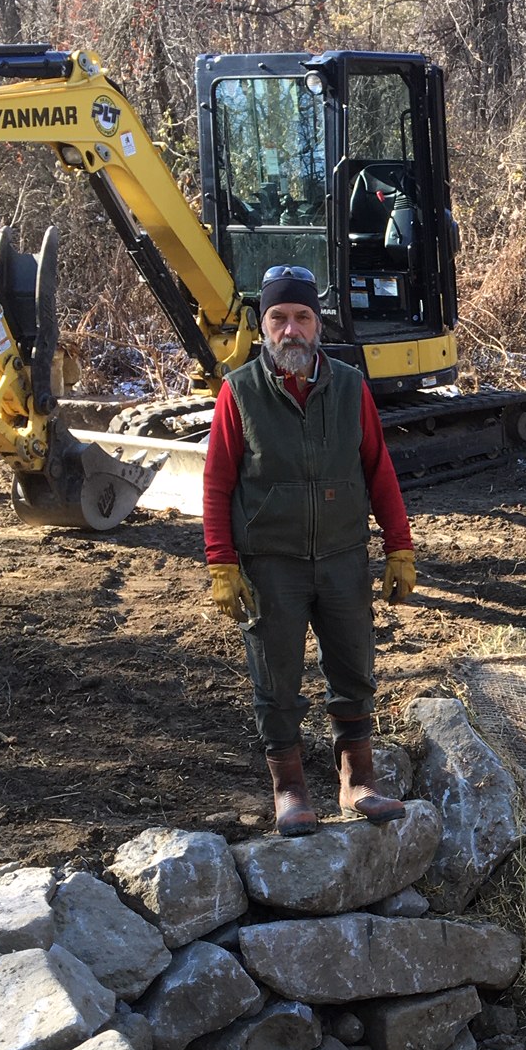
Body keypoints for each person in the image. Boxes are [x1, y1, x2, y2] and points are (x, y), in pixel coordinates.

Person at [201, 264, 418, 836]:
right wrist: (222, 562)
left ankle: (358, 779)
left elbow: (379, 470)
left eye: (301, 317)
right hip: (271, 563)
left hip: (343, 556)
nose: (291, 330)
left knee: (354, 666)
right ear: (263, 326)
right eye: (279, 319)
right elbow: (218, 482)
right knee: (276, 679)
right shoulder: (239, 392)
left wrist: (400, 547)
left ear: (317, 325)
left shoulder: (350, 387)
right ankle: (290, 790)